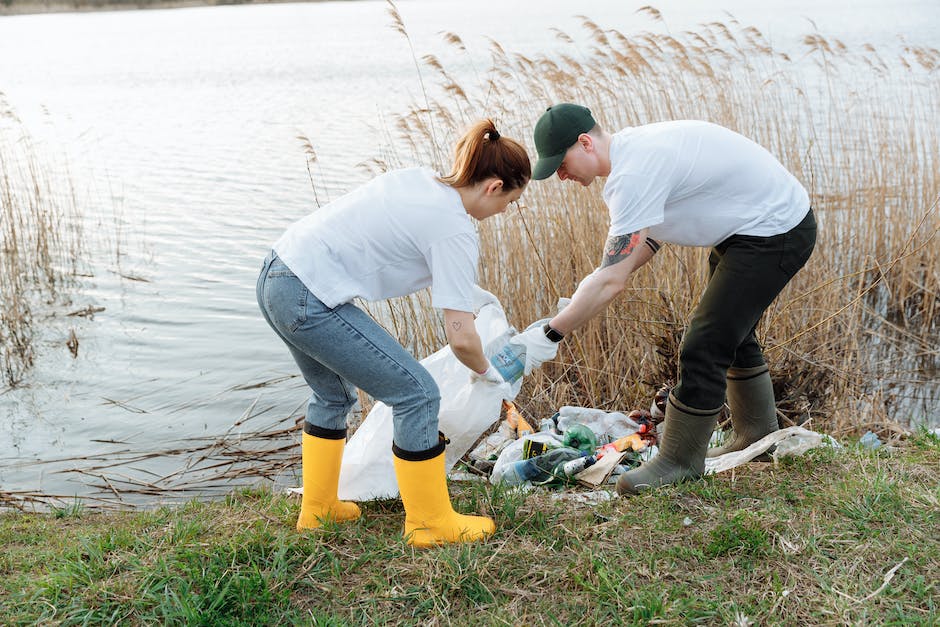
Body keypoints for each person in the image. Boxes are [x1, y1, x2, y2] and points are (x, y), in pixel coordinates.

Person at [512, 103, 816, 495]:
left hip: (775, 230)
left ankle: (679, 461)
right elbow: (643, 244)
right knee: (730, 333)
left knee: (704, 343)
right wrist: (592, 286)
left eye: (561, 164)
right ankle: (757, 435)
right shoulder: (636, 153)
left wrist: (551, 334)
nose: (561, 176)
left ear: (585, 143)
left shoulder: (632, 174)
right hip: (749, 230)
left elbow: (612, 281)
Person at [256, 119, 530, 545]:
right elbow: (460, 336)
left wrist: (474, 295)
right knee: (417, 394)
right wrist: (489, 374)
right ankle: (430, 524)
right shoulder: (455, 228)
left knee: (333, 396)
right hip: (309, 295)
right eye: (510, 201)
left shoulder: (420, 182)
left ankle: (318, 509)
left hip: (277, 274)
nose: (505, 211)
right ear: (494, 186)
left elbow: (414, 254)